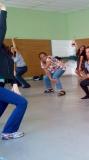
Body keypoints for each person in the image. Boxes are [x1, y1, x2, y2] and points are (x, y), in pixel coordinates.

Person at [0, 2, 28, 140]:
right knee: (22, 102)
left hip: (1, 85)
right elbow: (1, 29)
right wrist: (3, 11)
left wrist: (14, 84)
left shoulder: (5, 54)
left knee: (4, 101)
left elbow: (8, 71)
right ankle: (8, 132)